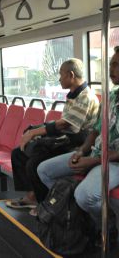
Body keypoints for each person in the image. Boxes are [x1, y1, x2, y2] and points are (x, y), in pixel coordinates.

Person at [37, 50, 119, 237]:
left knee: (85, 196)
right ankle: (75, 214)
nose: (110, 69)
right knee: (44, 170)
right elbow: (96, 130)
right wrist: (82, 151)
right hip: (96, 153)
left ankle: (106, 224)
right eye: (111, 64)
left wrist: (94, 161)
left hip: (113, 160)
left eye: (116, 65)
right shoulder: (112, 96)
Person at [7, 59, 99, 214]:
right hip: (67, 139)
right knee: (18, 153)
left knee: (34, 163)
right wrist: (36, 128)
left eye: (61, 75)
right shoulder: (73, 95)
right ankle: (33, 195)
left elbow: (64, 124)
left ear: (71, 75)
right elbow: (62, 122)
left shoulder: (85, 97)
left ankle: (45, 204)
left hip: (79, 144)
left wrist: (34, 132)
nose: (59, 78)